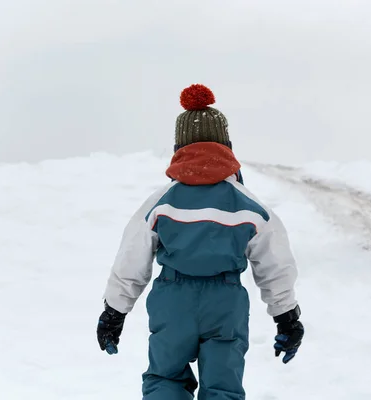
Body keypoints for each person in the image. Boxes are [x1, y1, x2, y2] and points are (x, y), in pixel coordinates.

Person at [97, 84, 304, 400]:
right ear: (227, 145)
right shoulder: (249, 205)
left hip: (172, 300)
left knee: (165, 379)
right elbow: (275, 264)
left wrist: (115, 312)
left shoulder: (160, 203)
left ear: (179, 147)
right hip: (226, 303)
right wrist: (286, 317)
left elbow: (131, 258)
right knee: (222, 387)